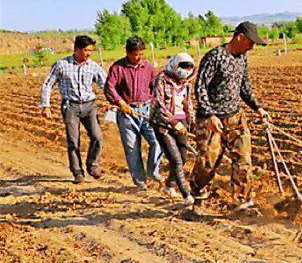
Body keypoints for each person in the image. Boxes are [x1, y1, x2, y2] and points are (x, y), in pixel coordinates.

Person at [191, 21, 269, 211]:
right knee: (207, 165)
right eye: (251, 42)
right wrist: (210, 115)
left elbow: (244, 87)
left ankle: (242, 203)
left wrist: (257, 107)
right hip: (212, 121)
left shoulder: (242, 58)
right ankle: (198, 196)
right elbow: (200, 87)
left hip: (235, 117)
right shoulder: (215, 57)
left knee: (243, 160)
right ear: (240, 37)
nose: (252, 47)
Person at [39, 35, 107, 183]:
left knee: (97, 137)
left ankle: (93, 166)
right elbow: (48, 84)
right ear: (76, 49)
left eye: (91, 50)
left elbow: (106, 85)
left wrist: (114, 101)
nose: (88, 53)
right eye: (85, 50)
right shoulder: (62, 65)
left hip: (90, 105)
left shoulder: (93, 66)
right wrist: (46, 105)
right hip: (70, 106)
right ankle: (77, 172)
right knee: (73, 140)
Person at [104, 36, 162, 191]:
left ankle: (153, 170)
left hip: (147, 110)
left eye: (142, 54)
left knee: (157, 140)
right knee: (132, 148)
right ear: (128, 53)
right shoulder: (117, 67)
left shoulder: (148, 66)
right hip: (127, 113)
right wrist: (120, 102)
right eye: (137, 55)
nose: (140, 58)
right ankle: (140, 181)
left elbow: (155, 86)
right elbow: (109, 87)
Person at [150, 52, 196, 206]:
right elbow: (158, 104)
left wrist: (192, 122)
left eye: (189, 67)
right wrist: (173, 122)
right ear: (175, 65)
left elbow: (188, 104)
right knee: (175, 159)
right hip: (163, 125)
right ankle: (186, 194)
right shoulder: (161, 80)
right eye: (183, 66)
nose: (187, 70)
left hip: (181, 123)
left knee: (183, 158)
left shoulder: (186, 84)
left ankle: (169, 185)